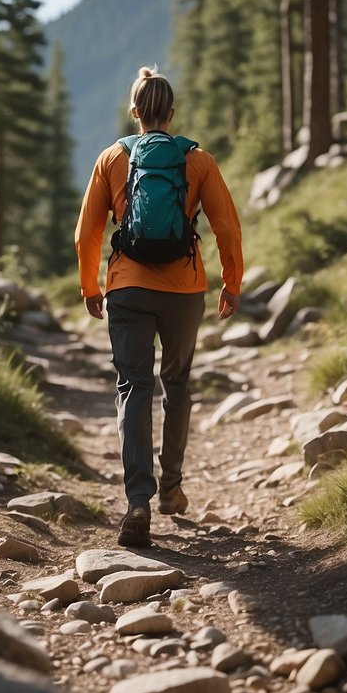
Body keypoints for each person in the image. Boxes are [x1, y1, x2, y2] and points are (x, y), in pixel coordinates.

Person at [74, 66, 244, 548]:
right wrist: (232, 281)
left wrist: (91, 286)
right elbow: (226, 227)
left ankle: (138, 502)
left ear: (134, 112)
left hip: (126, 288)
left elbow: (87, 232)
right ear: (171, 112)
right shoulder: (198, 161)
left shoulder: (111, 158)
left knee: (133, 387)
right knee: (177, 384)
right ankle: (172, 487)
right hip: (185, 290)